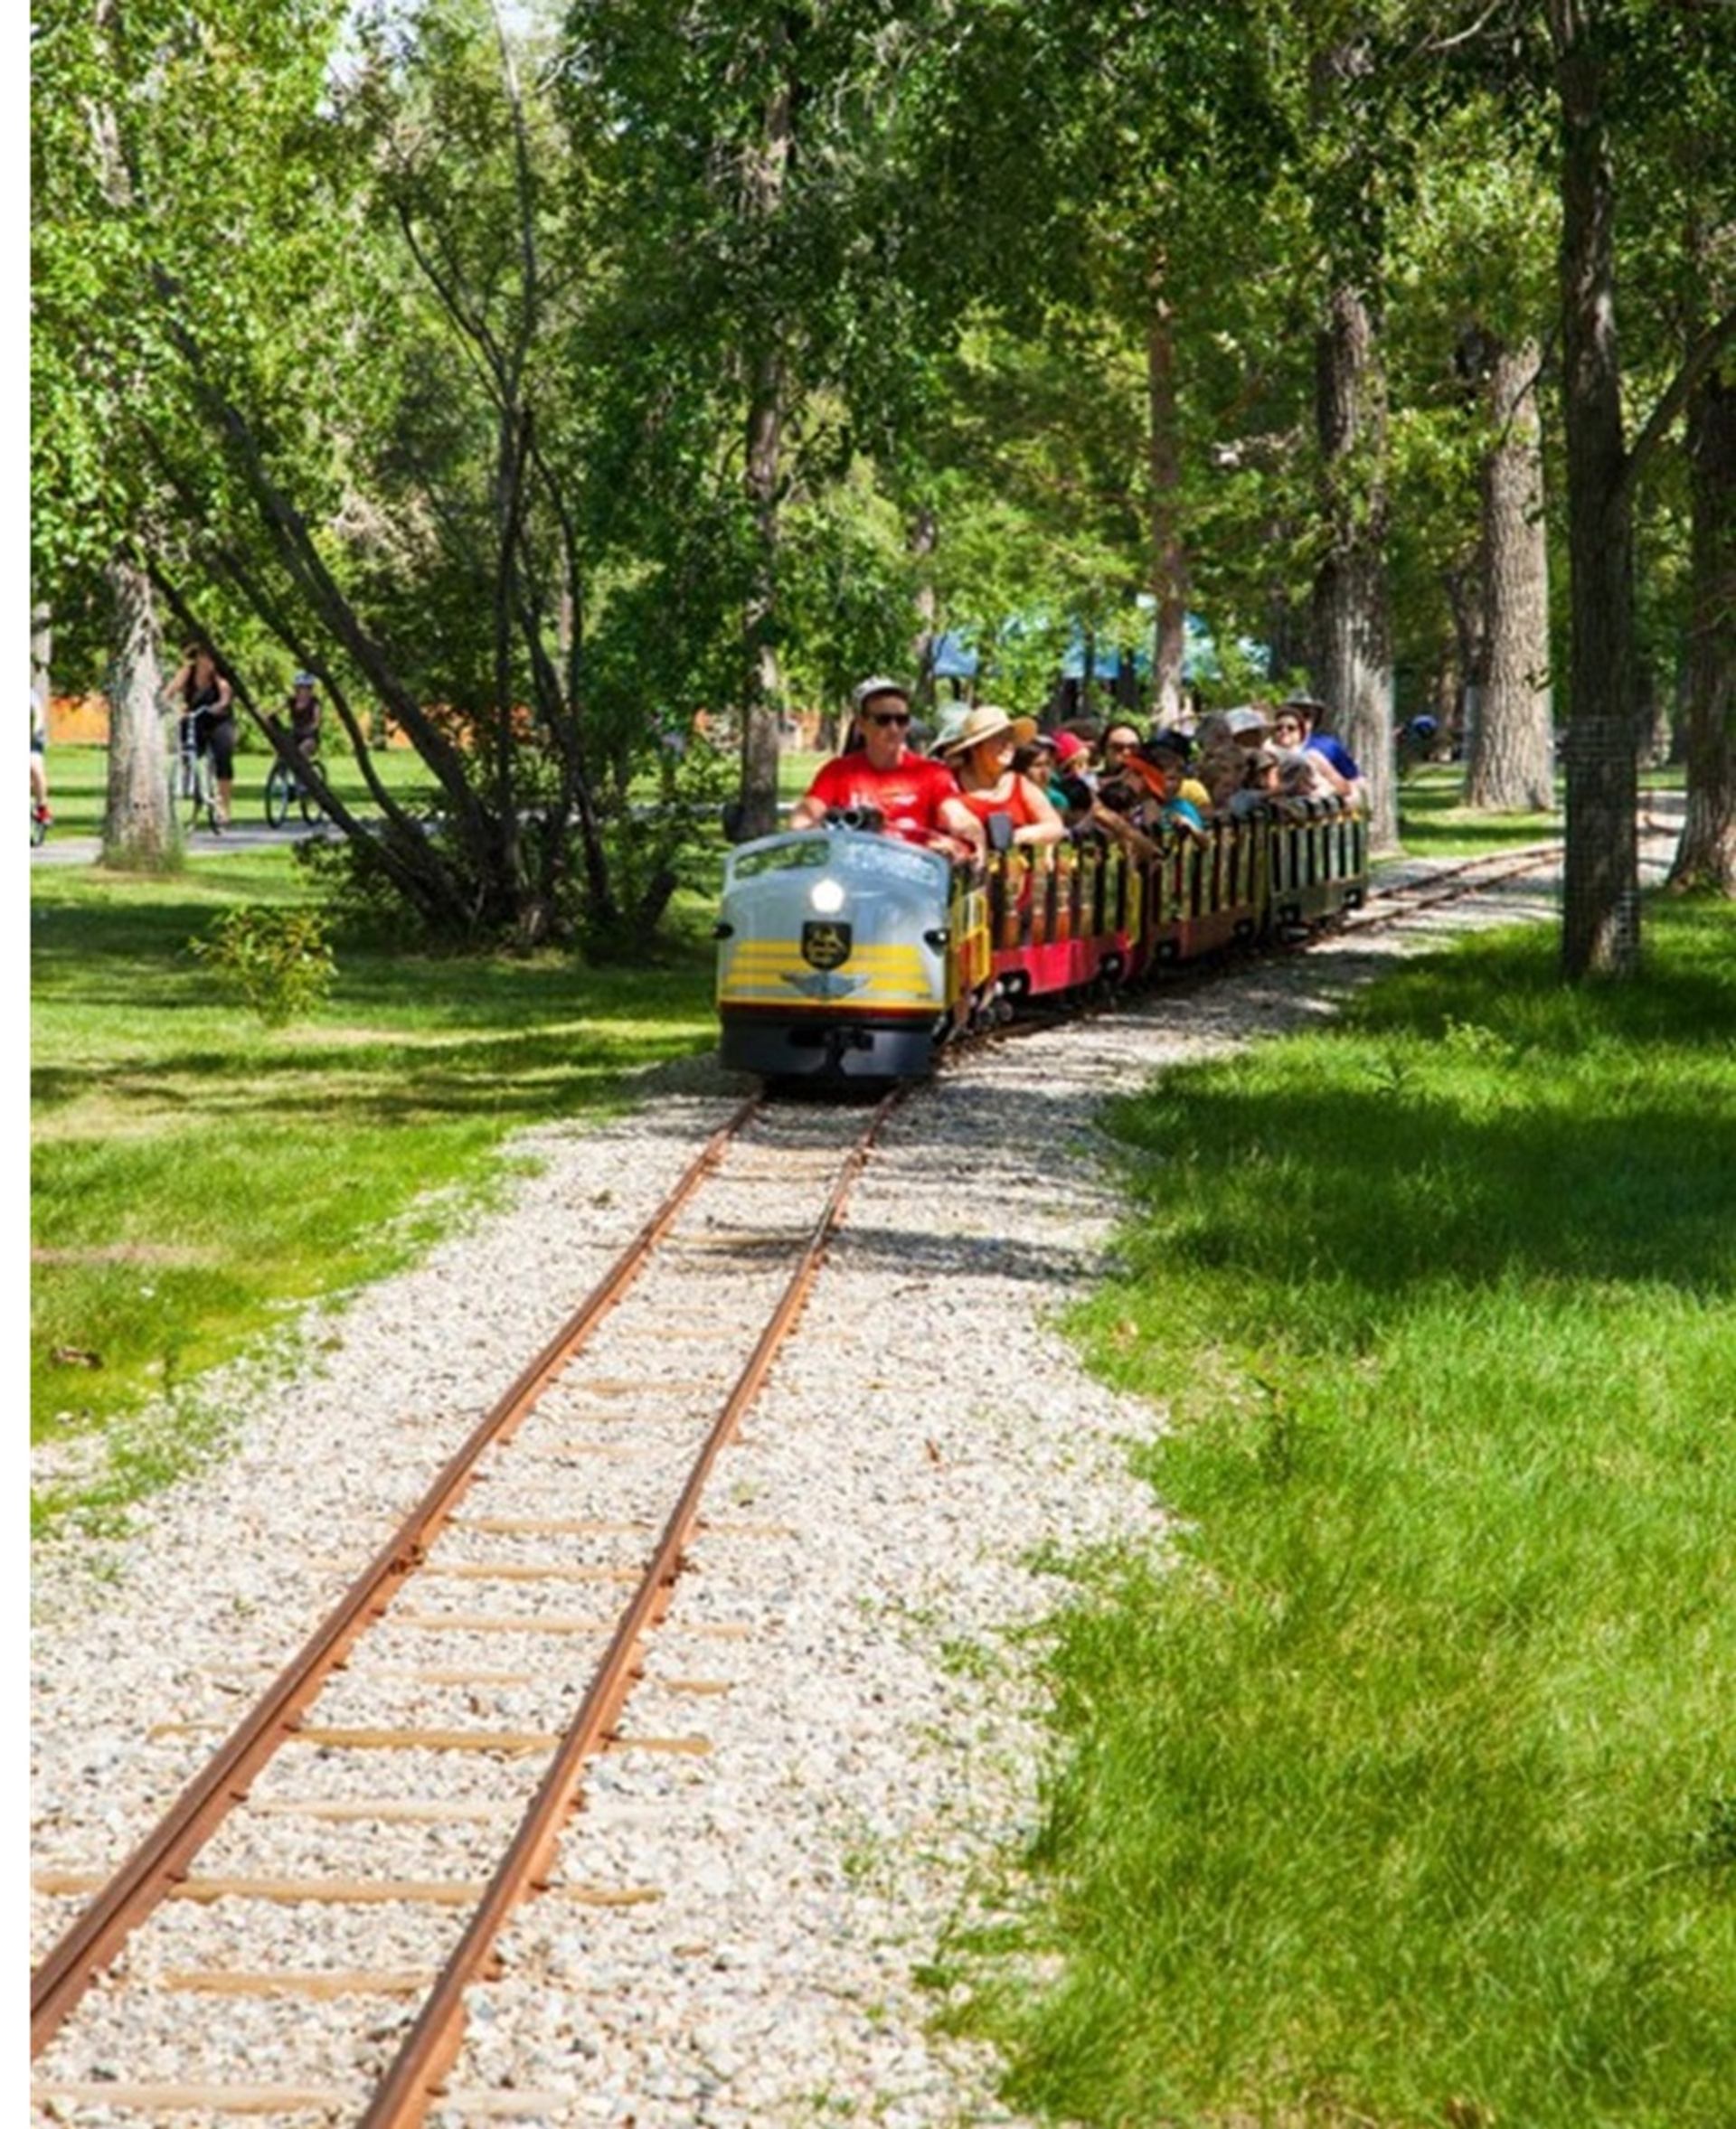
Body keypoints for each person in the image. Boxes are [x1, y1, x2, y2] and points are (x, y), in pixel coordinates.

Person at [788, 676, 981, 853]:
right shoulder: (837, 772)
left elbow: (955, 813)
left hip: (912, 871)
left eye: (902, 720)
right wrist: (809, 827)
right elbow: (806, 814)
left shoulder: (932, 773)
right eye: (883, 720)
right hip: (852, 872)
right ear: (861, 724)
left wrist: (969, 831)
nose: (894, 728)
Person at [939, 705, 1065, 851]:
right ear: (975, 748)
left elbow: (1055, 827)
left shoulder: (1020, 784)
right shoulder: (949, 782)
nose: (1007, 745)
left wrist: (1018, 836)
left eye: (1010, 738)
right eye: (998, 739)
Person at [163, 641, 237, 826]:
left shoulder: (218, 676)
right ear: (198, 657)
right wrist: (166, 703)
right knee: (185, 746)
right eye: (204, 656)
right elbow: (170, 690)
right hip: (196, 718)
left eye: (211, 657)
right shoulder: (188, 672)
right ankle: (188, 777)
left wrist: (220, 705)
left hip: (219, 720)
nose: (208, 661)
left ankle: (224, 807)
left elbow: (225, 695)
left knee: (223, 757)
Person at [1274, 694, 1363, 804]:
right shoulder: (1268, 752)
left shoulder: (1327, 747)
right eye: (1279, 727)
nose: (1284, 731)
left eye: (1306, 715)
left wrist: (1330, 792)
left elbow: (1353, 782)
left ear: (1314, 718)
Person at [286, 673, 322, 764]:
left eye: (307, 688)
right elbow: (276, 710)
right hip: (295, 735)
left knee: (301, 751)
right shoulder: (292, 701)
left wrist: (310, 729)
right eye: (300, 688)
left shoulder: (314, 703)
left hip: (309, 737)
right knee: (283, 750)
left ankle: (304, 770)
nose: (303, 691)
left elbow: (317, 722)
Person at [30, 696, 50, 827]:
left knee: (35, 765)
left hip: (32, 738)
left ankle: (42, 807)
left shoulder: (30, 697)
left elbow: (37, 719)